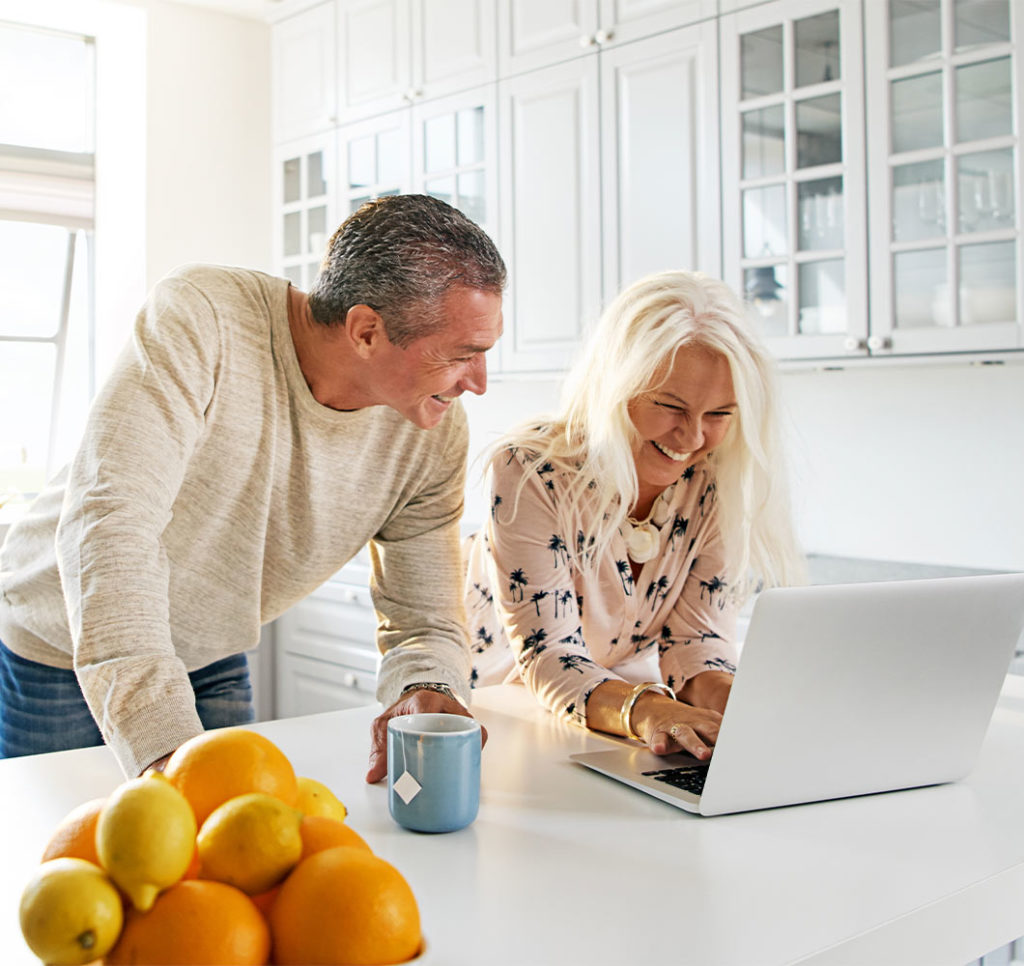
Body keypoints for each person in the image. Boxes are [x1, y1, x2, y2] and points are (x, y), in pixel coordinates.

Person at [0, 194, 505, 782]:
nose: (480, 382)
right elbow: (111, 521)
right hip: (61, 643)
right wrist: (165, 747)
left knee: (229, 853)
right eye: (462, 356)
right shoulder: (205, 317)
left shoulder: (432, 434)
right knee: (70, 854)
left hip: (210, 650)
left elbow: (425, 615)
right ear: (367, 330)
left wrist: (427, 684)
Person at [463, 270, 804, 760]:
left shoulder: (714, 482)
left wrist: (746, 710)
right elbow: (550, 656)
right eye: (671, 406)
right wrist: (649, 712)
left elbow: (697, 643)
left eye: (719, 415)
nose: (691, 438)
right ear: (614, 388)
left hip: (608, 711)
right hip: (499, 712)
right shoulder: (532, 470)